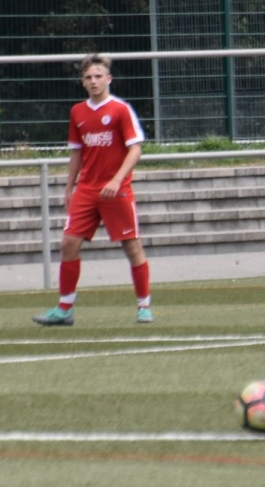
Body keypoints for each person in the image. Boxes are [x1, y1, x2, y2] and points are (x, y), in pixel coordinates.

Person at [32, 54, 152, 326]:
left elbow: (135, 150)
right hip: (87, 190)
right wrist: (69, 188)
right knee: (68, 244)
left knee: (132, 247)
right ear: (83, 82)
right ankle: (65, 309)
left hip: (116, 190)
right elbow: (76, 153)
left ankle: (144, 305)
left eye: (98, 76)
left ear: (109, 79)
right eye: (88, 77)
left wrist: (116, 180)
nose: (93, 81)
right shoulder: (78, 112)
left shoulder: (120, 110)